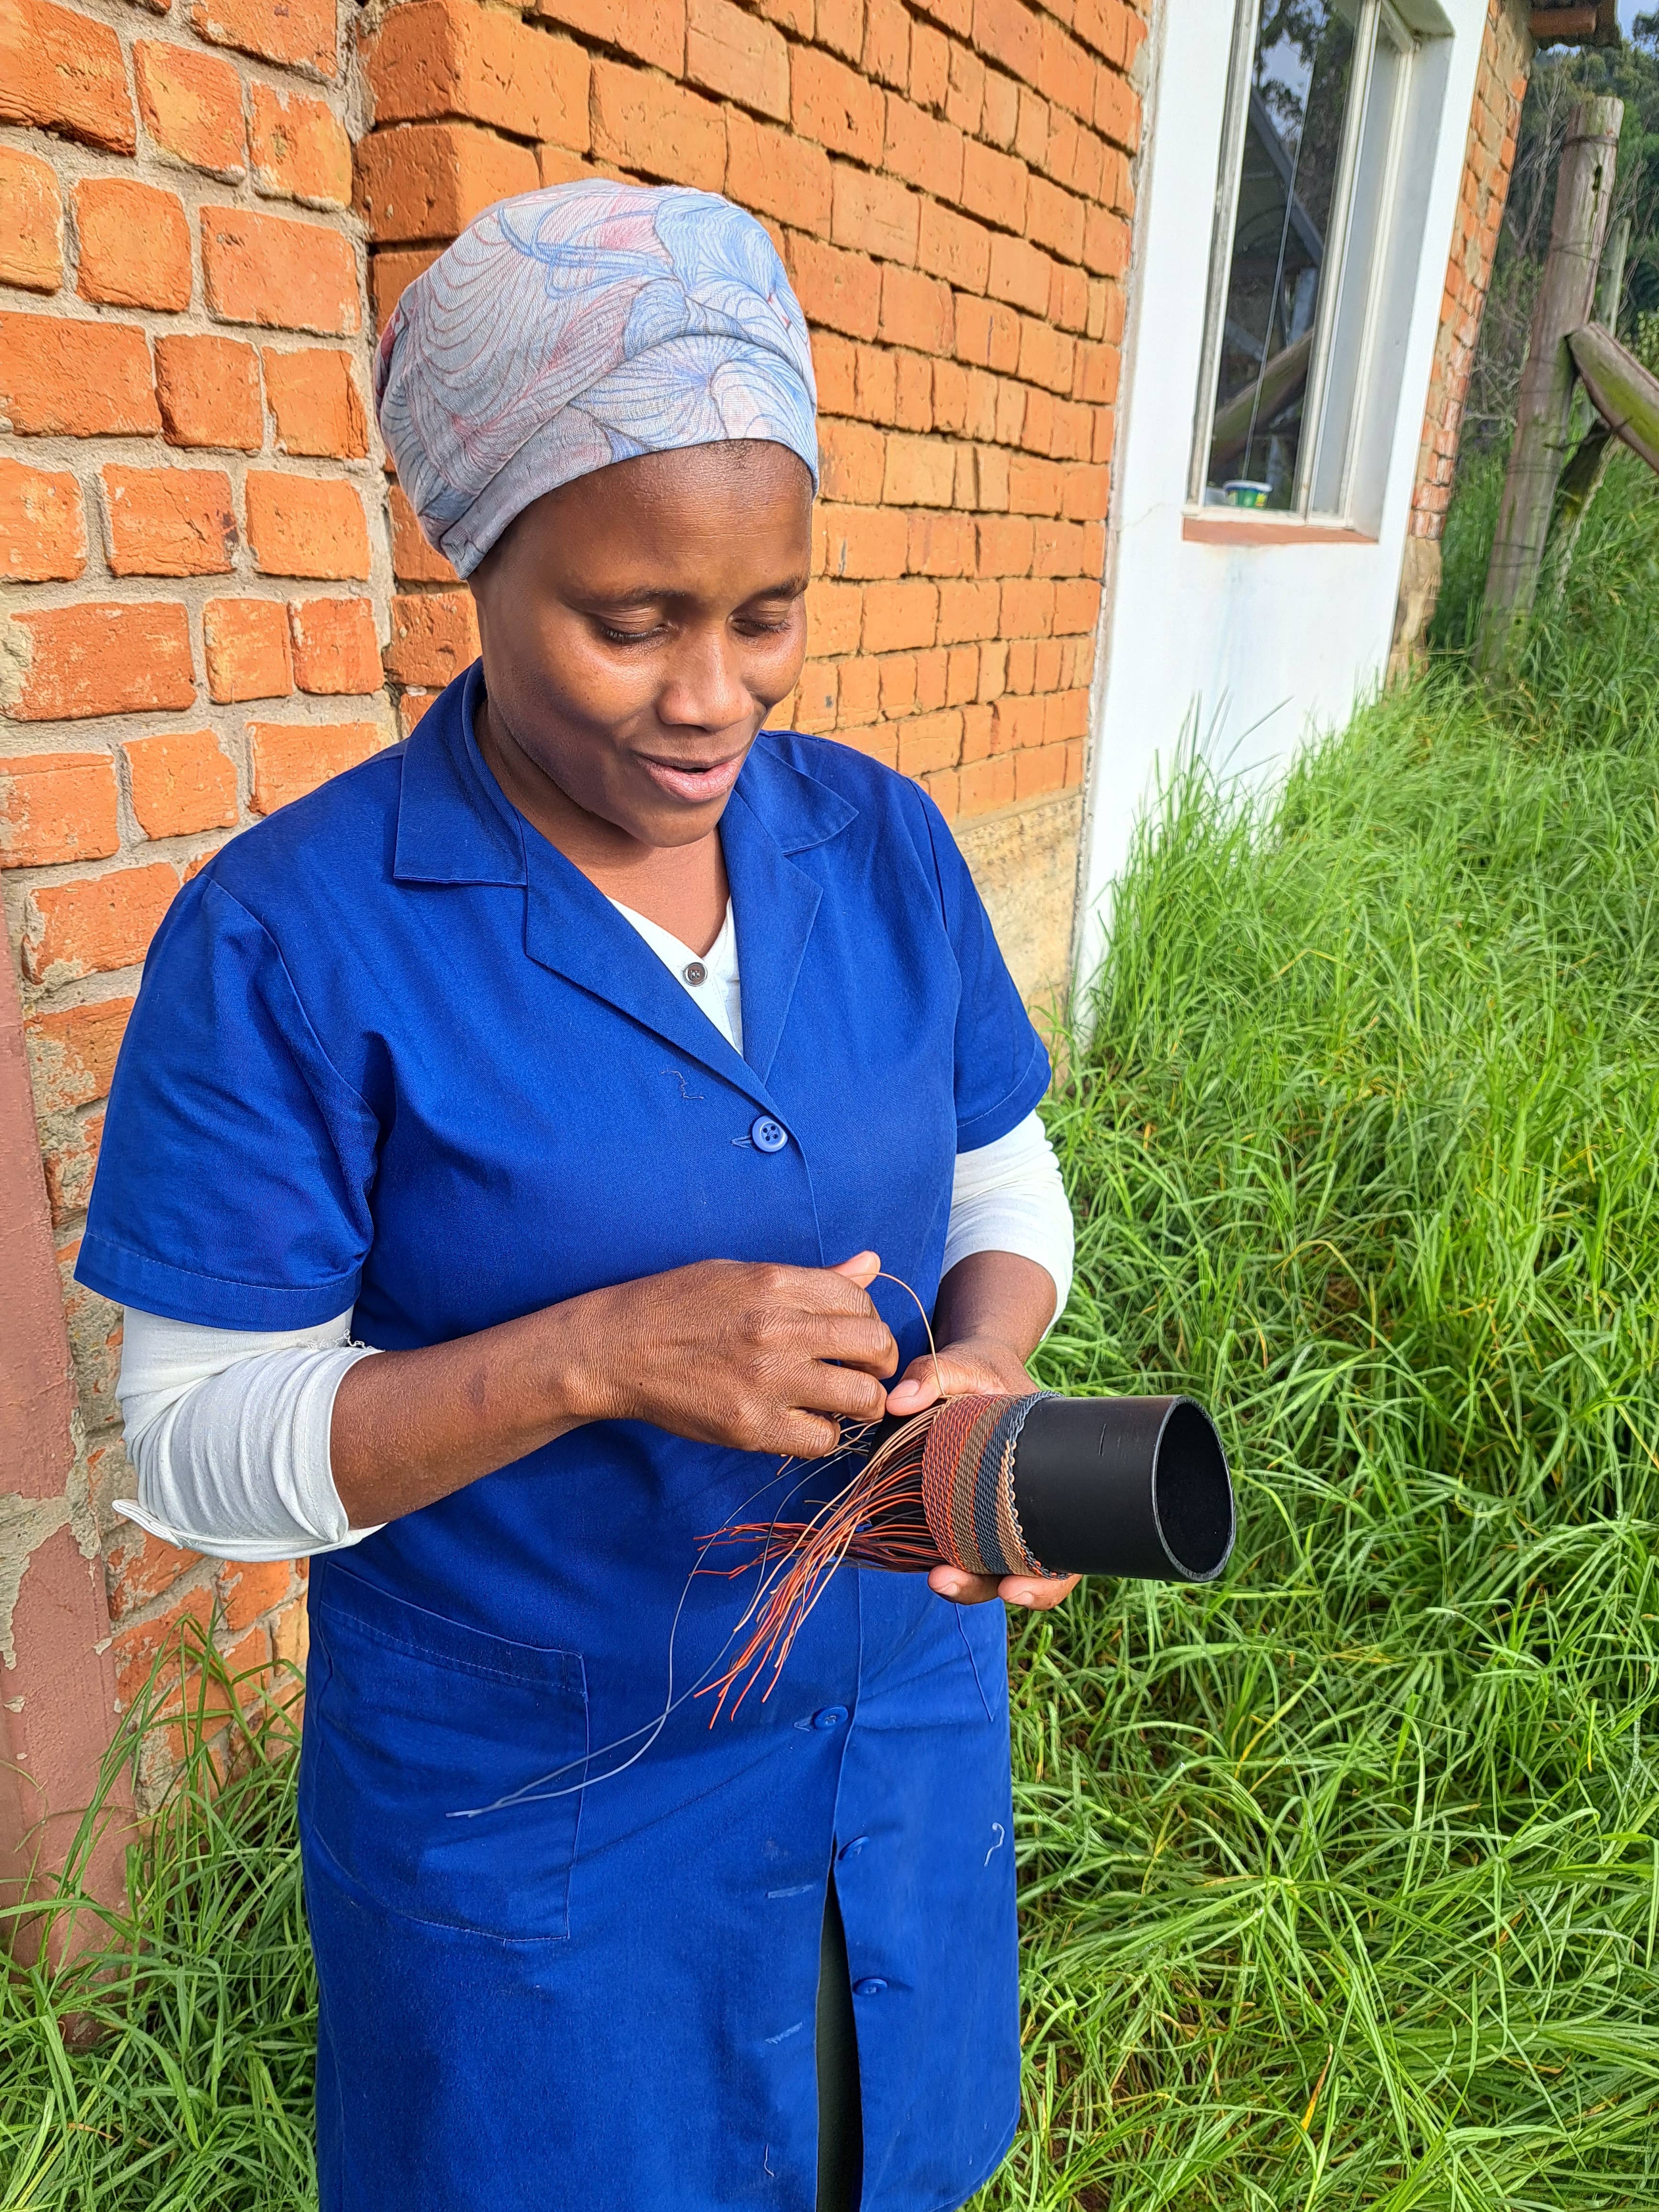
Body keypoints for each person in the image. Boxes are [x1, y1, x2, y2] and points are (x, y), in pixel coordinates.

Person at [81, 180, 1079, 2212]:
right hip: (535, 1821)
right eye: (630, 622)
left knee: (875, 2160)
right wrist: (606, 1352)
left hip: (886, 1749)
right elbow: (192, 1452)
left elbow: (1003, 1172)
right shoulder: (290, 940)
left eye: (765, 613)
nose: (711, 693)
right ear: (479, 560)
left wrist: (982, 1365)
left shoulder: (876, 843)